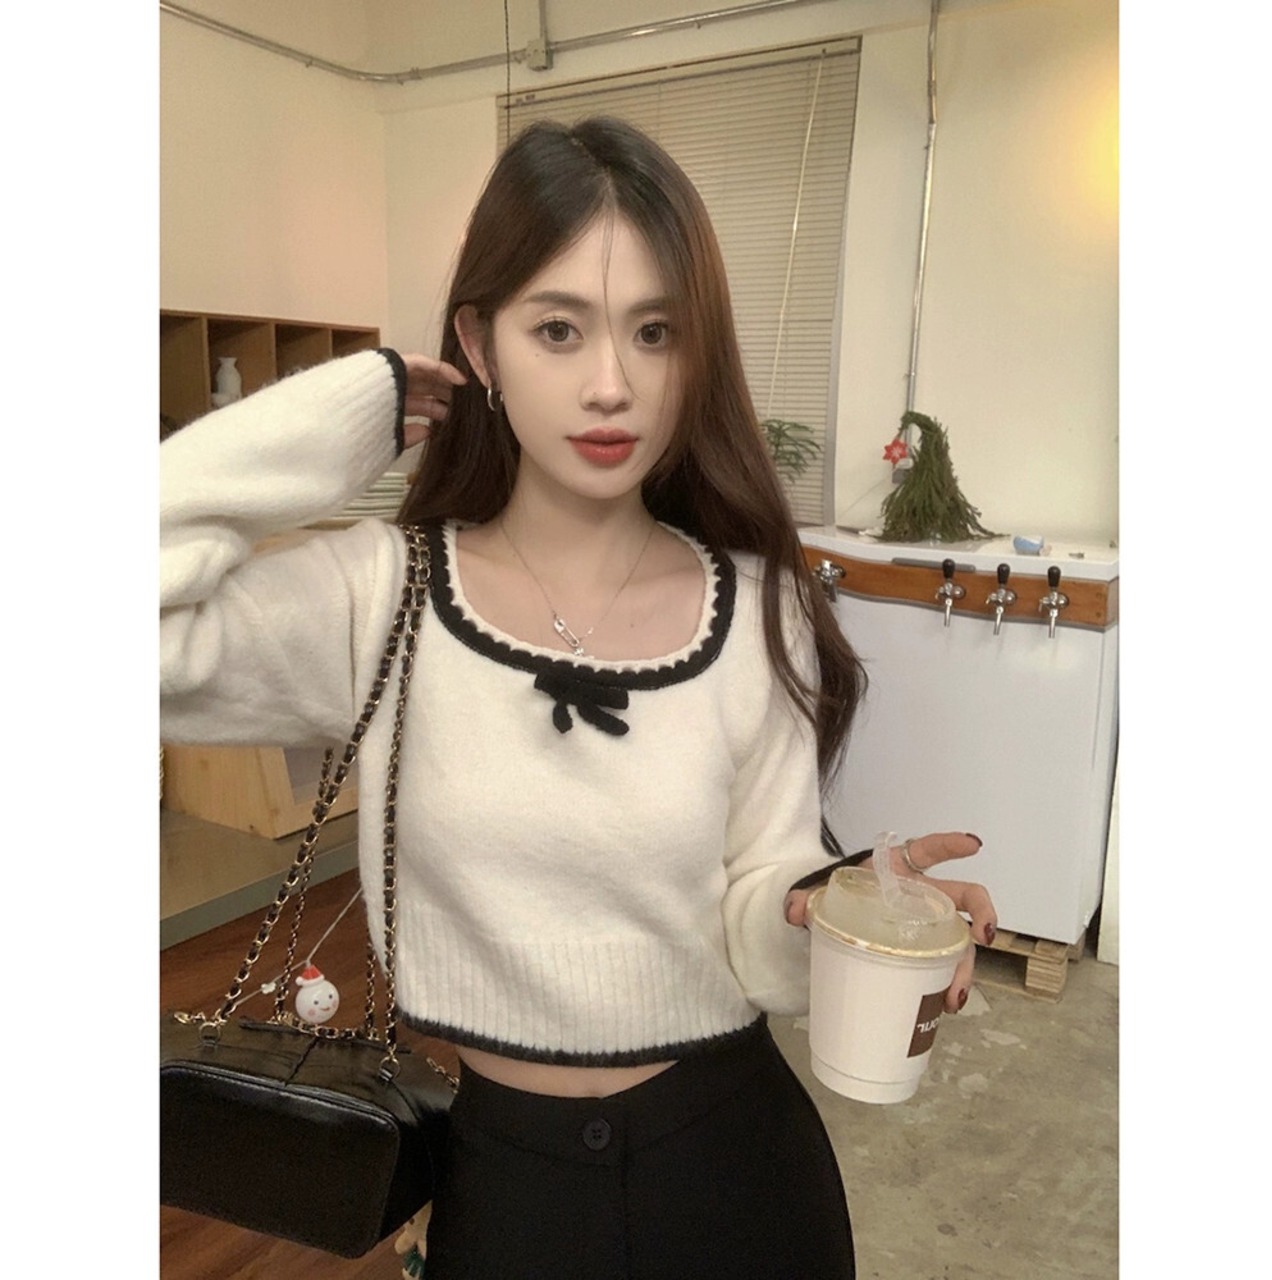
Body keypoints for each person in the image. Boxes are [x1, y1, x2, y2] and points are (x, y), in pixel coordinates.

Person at [161, 116, 997, 1279]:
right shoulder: (379, 597)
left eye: (654, 331)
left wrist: (840, 905)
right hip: (504, 1187)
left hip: (737, 1173)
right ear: (479, 343)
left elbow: (759, 909)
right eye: (557, 328)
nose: (612, 384)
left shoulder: (756, 609)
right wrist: (344, 410)